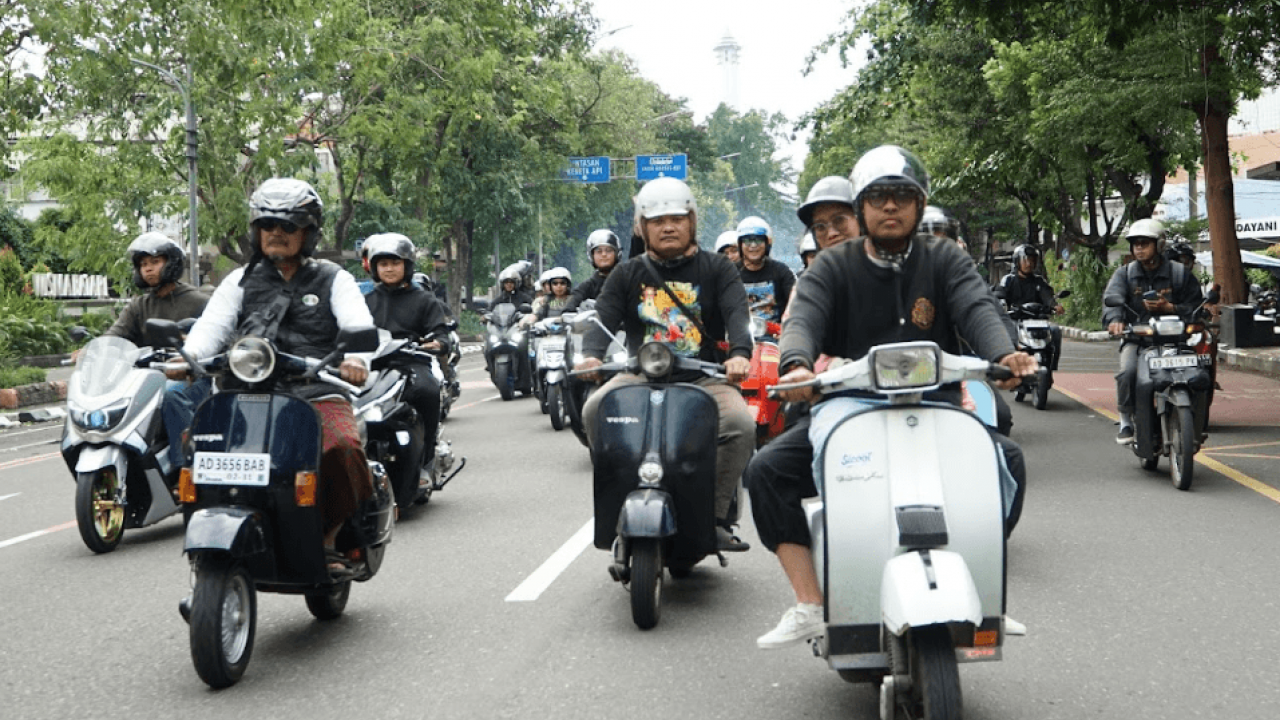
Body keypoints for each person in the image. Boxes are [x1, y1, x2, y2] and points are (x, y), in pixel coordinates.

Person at [746, 145, 1037, 649]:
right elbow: (805, 318)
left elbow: (976, 307)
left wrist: (1004, 354)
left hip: (934, 403)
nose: (889, 206)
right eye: (877, 197)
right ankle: (810, 603)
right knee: (766, 471)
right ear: (862, 207)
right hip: (849, 406)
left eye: (902, 196)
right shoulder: (831, 267)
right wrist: (796, 365)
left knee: (1005, 461)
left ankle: (984, 592)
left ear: (919, 205)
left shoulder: (944, 258)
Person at [173, 177, 375, 570]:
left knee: (344, 448)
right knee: (197, 447)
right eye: (267, 224)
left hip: (315, 388)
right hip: (243, 392)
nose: (276, 233)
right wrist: (188, 358)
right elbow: (211, 327)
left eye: (288, 225)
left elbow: (357, 322)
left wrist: (355, 360)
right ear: (256, 231)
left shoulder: (334, 278)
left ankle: (331, 533)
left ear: (309, 232)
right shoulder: (239, 280)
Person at [573, 177, 756, 552]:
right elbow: (603, 318)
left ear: (692, 221)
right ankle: (620, 497)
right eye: (657, 220)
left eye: (676, 218)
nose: (668, 227)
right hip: (639, 376)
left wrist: (739, 354)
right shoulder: (627, 273)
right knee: (594, 410)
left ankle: (714, 516)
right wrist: (591, 354)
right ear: (642, 227)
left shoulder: (719, 269)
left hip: (704, 379)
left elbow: (738, 314)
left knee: (741, 424)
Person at [101, 232, 211, 473]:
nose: (148, 269)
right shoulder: (139, 305)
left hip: (193, 378)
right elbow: (116, 335)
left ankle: (186, 467)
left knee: (171, 395)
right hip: (150, 378)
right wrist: (97, 349)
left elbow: (218, 337)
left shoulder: (198, 302)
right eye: (143, 264)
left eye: (155, 262)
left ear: (171, 263)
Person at [1103, 219, 1204, 444]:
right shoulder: (1125, 274)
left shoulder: (1179, 273)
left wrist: (1171, 308)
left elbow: (1196, 305)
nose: (1139, 248)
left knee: (1200, 373)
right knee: (1127, 372)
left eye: (1145, 243)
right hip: (1138, 339)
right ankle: (1126, 419)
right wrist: (1115, 320)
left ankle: (1197, 422)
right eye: (1135, 244)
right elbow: (1112, 299)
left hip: (1176, 339)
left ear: (1159, 244)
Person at [364, 232, 451, 481]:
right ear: (375, 268)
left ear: (407, 266)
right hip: (373, 366)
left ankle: (426, 459)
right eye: (383, 264)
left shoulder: (424, 300)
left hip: (411, 362)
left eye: (395, 263)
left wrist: (438, 342)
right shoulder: (365, 302)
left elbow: (440, 332)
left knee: (428, 391)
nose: (389, 269)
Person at [997, 244, 1064, 372]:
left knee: (1055, 330)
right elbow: (1000, 294)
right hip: (1016, 319)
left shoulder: (1039, 281)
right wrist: (1001, 304)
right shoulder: (1008, 280)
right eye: (1026, 260)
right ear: (1017, 261)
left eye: (1032, 260)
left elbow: (1047, 296)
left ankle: (1051, 366)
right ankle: (1007, 365)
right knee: (1006, 334)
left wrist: (1055, 306)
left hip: (1037, 320)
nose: (1029, 264)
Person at [735, 216, 796, 324]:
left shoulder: (781, 271)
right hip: (738, 331)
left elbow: (795, 302)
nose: (753, 245)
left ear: (767, 244)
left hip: (775, 331)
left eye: (758, 240)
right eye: (748, 241)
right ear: (740, 245)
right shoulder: (729, 273)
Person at [564, 229, 621, 311]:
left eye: (608, 250)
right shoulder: (589, 285)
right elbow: (575, 297)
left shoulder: (627, 280)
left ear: (616, 254)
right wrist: (567, 310)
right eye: (599, 251)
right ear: (592, 256)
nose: (604, 254)